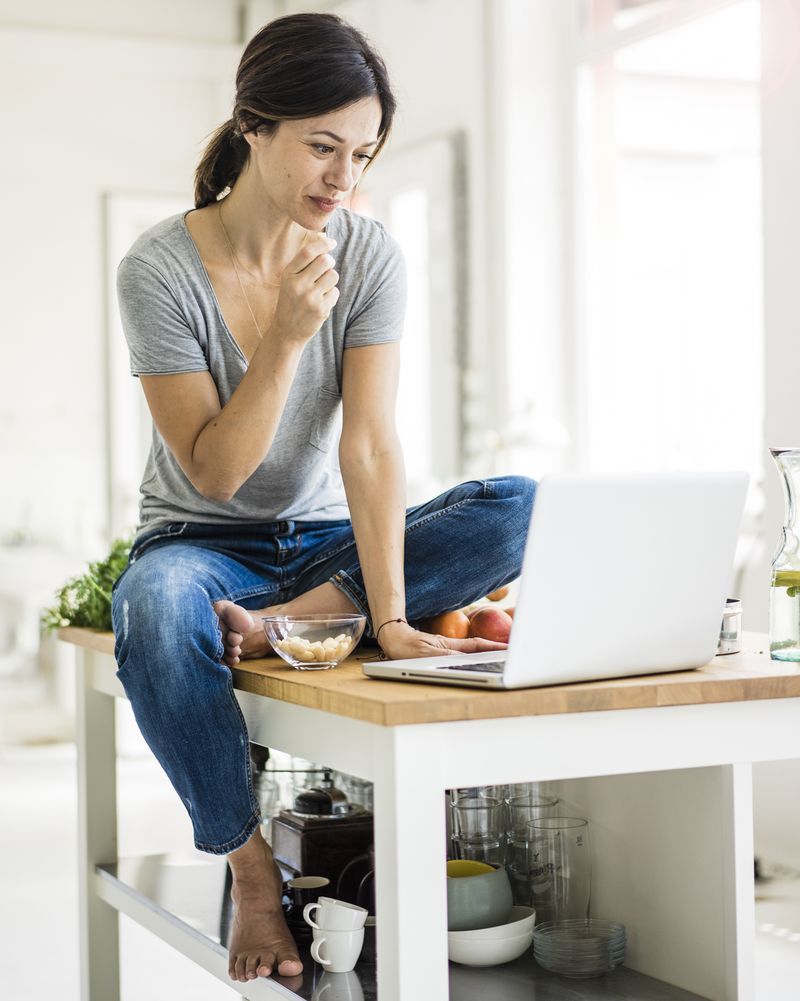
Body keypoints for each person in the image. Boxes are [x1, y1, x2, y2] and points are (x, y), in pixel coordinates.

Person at [111, 11, 536, 986]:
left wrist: (389, 616)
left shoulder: (369, 253)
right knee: (152, 609)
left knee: (518, 504)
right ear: (253, 125)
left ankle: (288, 621)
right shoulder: (160, 268)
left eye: (360, 153)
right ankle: (250, 865)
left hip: (321, 546)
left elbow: (372, 442)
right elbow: (215, 472)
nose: (341, 179)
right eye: (321, 146)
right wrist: (288, 336)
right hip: (200, 540)